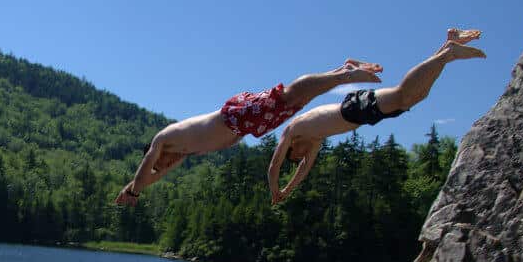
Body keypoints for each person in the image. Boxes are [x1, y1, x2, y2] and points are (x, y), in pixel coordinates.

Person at [114, 58, 385, 205]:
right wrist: (131, 191)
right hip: (247, 126)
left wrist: (135, 190)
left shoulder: (163, 139)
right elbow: (152, 176)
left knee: (288, 96)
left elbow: (147, 167)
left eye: (158, 163)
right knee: (296, 103)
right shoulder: (185, 152)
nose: (161, 166)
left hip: (236, 115)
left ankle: (343, 75)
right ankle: (339, 70)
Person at [267, 28, 485, 204]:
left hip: (352, 108)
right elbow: (305, 168)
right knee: (414, 97)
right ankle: (447, 48)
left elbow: (275, 164)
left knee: (403, 94)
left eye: (296, 155)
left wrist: (274, 188)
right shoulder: (315, 141)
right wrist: (287, 190)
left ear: (291, 147)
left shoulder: (292, 130)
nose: (302, 155)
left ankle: (449, 53)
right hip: (361, 116)